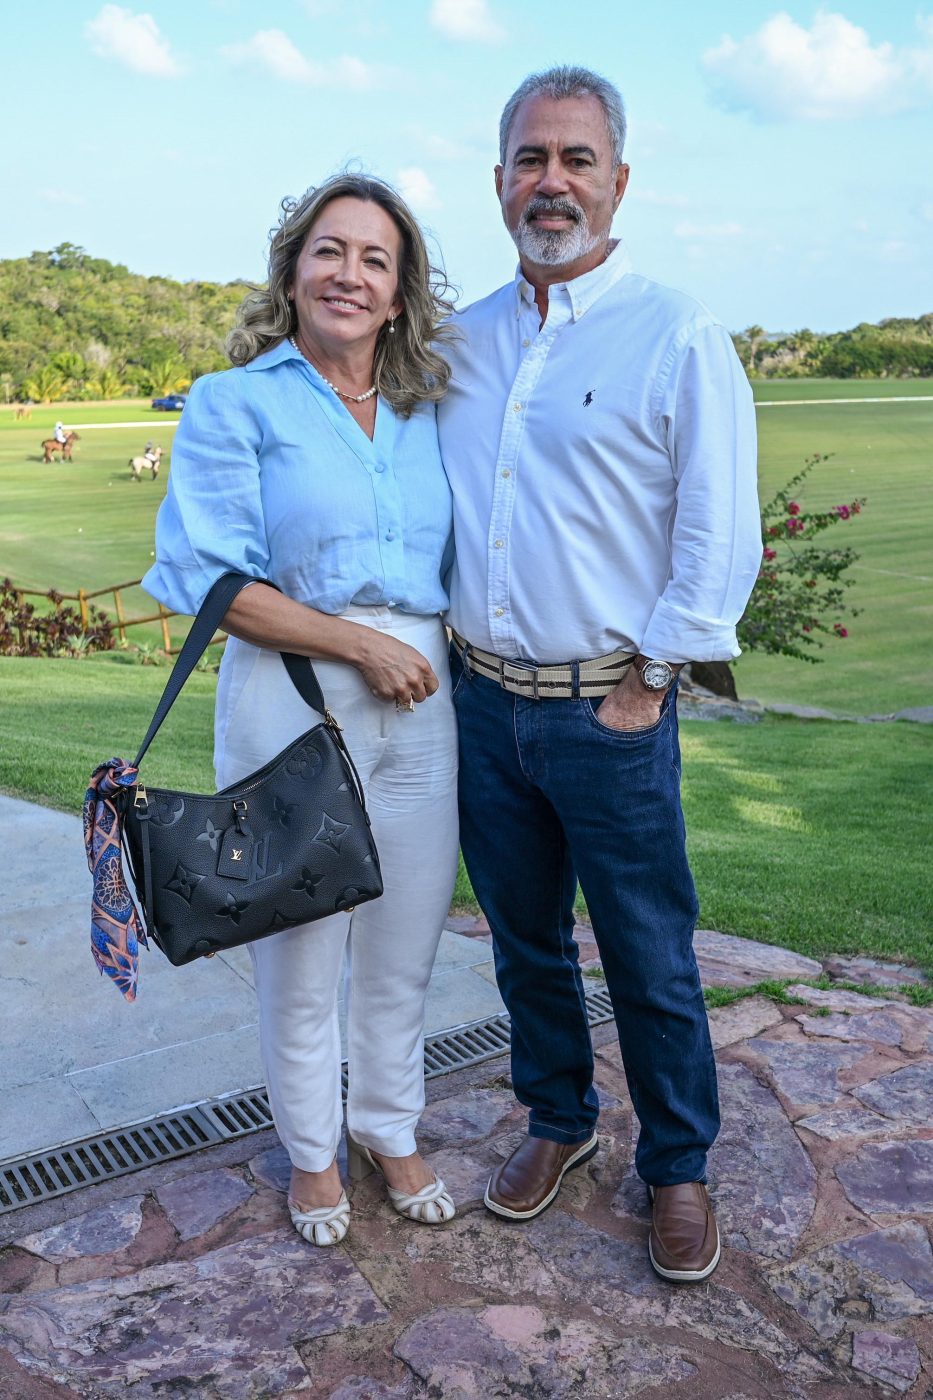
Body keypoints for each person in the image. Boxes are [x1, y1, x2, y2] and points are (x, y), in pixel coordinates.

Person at [437, 66, 761, 1283]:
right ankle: (559, 1122)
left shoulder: (675, 331)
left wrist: (649, 682)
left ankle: (677, 1164)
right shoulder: (461, 341)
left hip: (607, 709)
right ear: (501, 181)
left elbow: (718, 534)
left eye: (576, 159)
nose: (552, 181)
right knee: (525, 943)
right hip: (482, 700)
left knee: (647, 953)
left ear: (618, 180)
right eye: (531, 158)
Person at [144, 173, 459, 1247]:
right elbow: (211, 580)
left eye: (375, 258)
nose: (350, 274)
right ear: (292, 269)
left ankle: (389, 1123)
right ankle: (314, 1151)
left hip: (425, 702)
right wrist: (357, 643)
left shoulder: (427, 407)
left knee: (404, 939)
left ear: (400, 287)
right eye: (330, 250)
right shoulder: (237, 401)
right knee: (301, 942)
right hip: (294, 692)